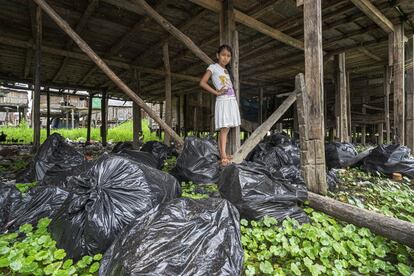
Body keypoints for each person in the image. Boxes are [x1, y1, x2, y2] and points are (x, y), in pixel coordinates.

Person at [199, 44, 241, 166]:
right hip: (223, 100)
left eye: (228, 56)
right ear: (218, 55)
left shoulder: (227, 71)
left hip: (231, 100)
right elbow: (202, 82)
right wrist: (216, 92)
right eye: (223, 55)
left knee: (227, 129)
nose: (225, 58)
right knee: (223, 129)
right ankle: (223, 155)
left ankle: (224, 153)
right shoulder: (213, 67)